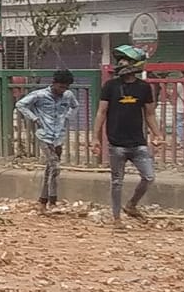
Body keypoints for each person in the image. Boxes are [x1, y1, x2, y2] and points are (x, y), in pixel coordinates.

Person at [93, 45, 158, 224]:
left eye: (126, 60)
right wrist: (95, 138)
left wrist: (157, 134)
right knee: (117, 182)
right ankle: (116, 218)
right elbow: (101, 112)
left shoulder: (144, 88)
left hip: (138, 143)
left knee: (149, 177)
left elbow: (150, 114)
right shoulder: (110, 86)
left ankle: (131, 205)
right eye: (120, 60)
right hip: (116, 143)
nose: (121, 63)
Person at [15, 70, 79, 214]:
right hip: (44, 135)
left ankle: (44, 201)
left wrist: (67, 117)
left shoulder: (68, 95)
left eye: (65, 87)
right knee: (55, 166)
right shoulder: (40, 95)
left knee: (50, 169)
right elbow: (20, 104)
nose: (63, 90)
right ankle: (51, 199)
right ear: (54, 83)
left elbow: (75, 106)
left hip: (59, 136)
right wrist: (34, 118)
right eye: (61, 87)